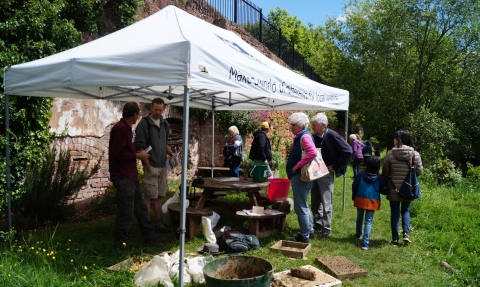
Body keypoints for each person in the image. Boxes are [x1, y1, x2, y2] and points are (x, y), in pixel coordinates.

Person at [109, 102, 166, 252]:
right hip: (123, 175)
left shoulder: (126, 129)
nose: (138, 117)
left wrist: (138, 150)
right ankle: (120, 244)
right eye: (138, 114)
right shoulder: (120, 129)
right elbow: (118, 154)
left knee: (140, 209)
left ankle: (150, 236)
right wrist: (138, 155)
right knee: (126, 212)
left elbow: (125, 149)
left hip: (130, 175)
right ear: (134, 115)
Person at [134, 98, 174, 232]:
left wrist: (171, 153)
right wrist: (148, 165)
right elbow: (139, 148)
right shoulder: (144, 124)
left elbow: (165, 143)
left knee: (159, 196)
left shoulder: (164, 124)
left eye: (161, 110)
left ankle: (158, 222)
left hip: (163, 166)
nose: (158, 112)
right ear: (151, 108)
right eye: (156, 109)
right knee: (149, 196)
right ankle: (146, 224)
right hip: (151, 165)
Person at [310, 113, 351, 238]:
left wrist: (334, 166)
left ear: (323, 125)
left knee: (326, 201)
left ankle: (326, 229)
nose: (313, 128)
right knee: (315, 200)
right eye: (312, 125)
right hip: (315, 171)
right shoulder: (314, 136)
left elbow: (347, 151)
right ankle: (318, 223)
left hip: (326, 173)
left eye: (315, 125)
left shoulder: (332, 135)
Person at [382, 130, 423, 245]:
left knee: (394, 213)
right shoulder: (415, 154)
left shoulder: (390, 153)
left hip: (393, 187)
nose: (393, 140)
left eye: (395, 138)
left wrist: (385, 183)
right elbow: (419, 171)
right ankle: (406, 234)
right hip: (408, 188)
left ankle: (395, 238)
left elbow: (385, 171)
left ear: (399, 139)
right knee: (405, 211)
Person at [286, 112, 317, 243]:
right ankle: (309, 231)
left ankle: (304, 236)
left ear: (301, 125)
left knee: (300, 207)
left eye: (293, 125)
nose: (291, 127)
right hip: (303, 176)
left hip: (300, 176)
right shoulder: (303, 136)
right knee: (303, 204)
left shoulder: (304, 137)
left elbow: (313, 152)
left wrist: (297, 166)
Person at [352, 156, 386, 250]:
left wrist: (353, 197)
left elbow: (355, 185)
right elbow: (382, 190)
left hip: (360, 198)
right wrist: (390, 192)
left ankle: (358, 234)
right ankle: (365, 243)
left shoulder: (360, 174)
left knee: (359, 218)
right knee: (368, 221)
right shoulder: (379, 177)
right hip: (373, 201)